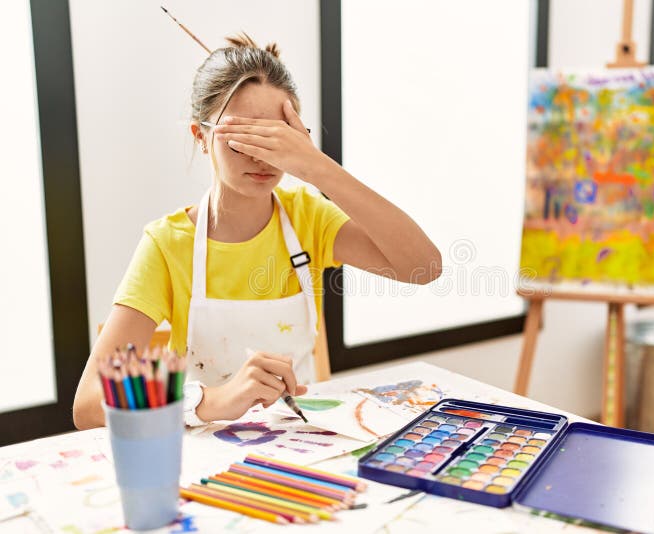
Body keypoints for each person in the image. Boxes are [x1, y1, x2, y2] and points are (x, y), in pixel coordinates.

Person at [73, 34, 441, 430]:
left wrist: (316, 166)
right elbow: (89, 405)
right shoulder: (167, 245)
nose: (260, 156)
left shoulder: (307, 218)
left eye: (274, 139)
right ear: (202, 137)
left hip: (303, 446)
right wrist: (211, 401)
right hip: (205, 455)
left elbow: (423, 267)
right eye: (242, 137)